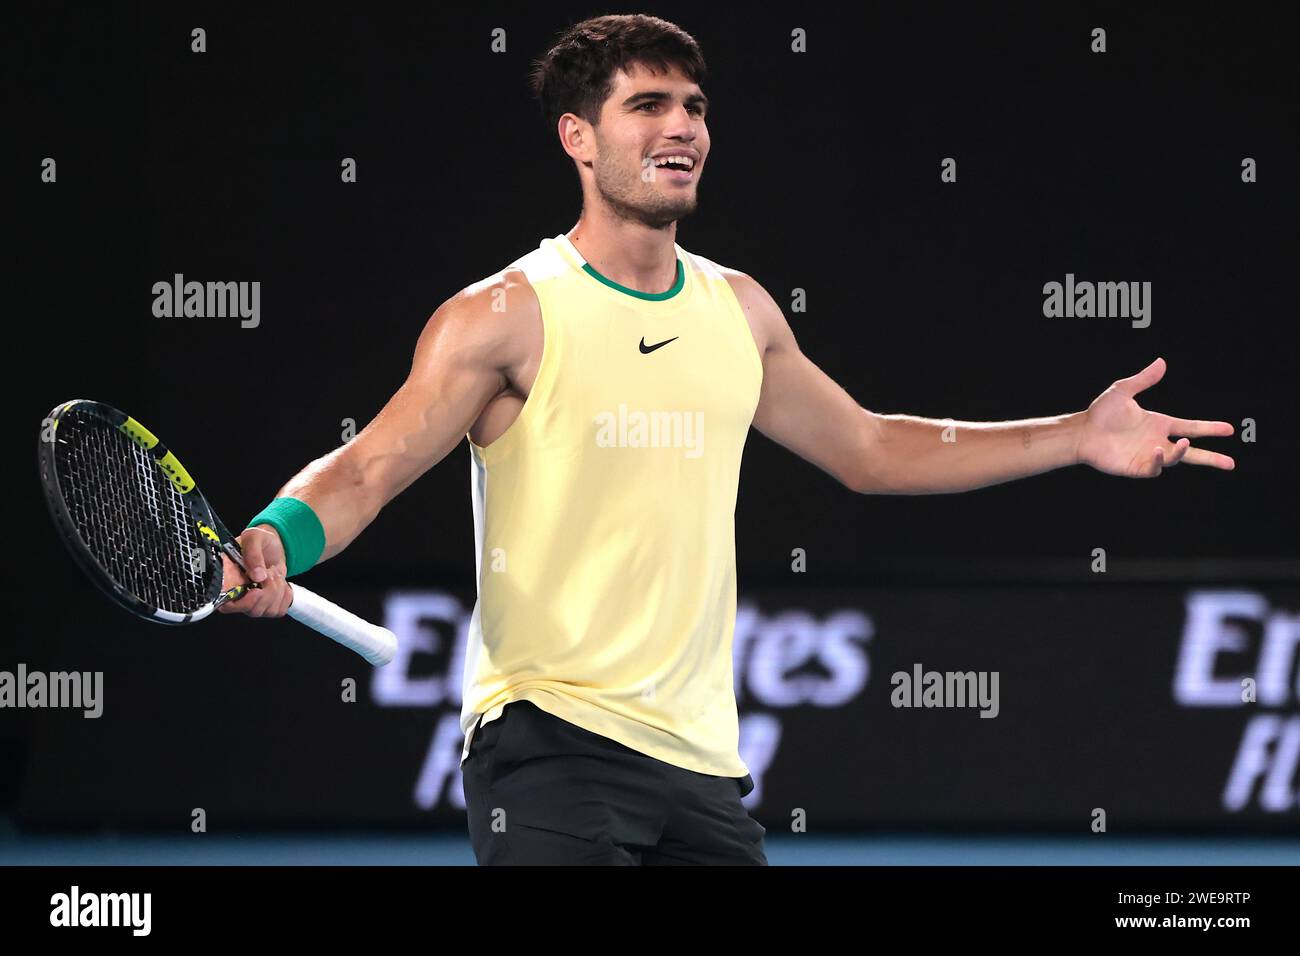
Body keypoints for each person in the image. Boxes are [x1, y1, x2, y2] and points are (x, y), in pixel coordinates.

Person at [217, 14, 1236, 864]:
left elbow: (873, 449)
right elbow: (369, 464)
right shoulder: (504, 315)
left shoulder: (739, 310)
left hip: (704, 768)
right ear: (579, 137)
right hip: (548, 746)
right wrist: (279, 534)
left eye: (694, 107)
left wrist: (1076, 434)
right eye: (647, 106)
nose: (683, 127)